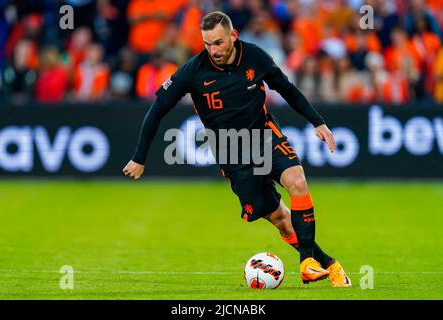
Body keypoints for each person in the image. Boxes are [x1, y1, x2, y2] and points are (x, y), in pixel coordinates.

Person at [123, 11, 351, 287]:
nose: (213, 50)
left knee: (297, 180)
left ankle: (306, 264)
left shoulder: (256, 57)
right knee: (281, 219)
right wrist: (139, 157)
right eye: (207, 44)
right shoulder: (193, 71)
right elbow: (157, 110)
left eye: (218, 43)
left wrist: (317, 121)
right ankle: (329, 264)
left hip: (264, 136)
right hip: (231, 152)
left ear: (233, 36)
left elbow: (287, 89)